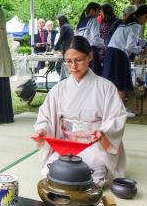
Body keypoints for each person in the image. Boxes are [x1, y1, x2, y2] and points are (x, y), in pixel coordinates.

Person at [33, 36, 127, 187]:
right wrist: (43, 131)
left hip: (95, 145)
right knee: (50, 171)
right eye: (68, 61)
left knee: (91, 174)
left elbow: (116, 117)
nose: (73, 66)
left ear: (90, 56)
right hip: (68, 144)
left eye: (78, 60)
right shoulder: (59, 89)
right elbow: (46, 116)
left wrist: (103, 132)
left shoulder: (106, 87)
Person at [102, 4, 147, 102]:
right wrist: (142, 50)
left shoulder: (127, 23)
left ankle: (114, 109)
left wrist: (145, 45)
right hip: (119, 54)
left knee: (113, 83)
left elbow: (135, 41)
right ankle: (120, 110)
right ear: (144, 16)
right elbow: (130, 46)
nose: (146, 22)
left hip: (111, 52)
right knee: (121, 85)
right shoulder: (135, 25)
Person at [76, 2, 104, 75]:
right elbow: (95, 39)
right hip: (91, 51)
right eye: (98, 11)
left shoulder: (82, 22)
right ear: (92, 10)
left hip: (81, 51)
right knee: (94, 76)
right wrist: (104, 45)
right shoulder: (94, 20)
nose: (99, 14)